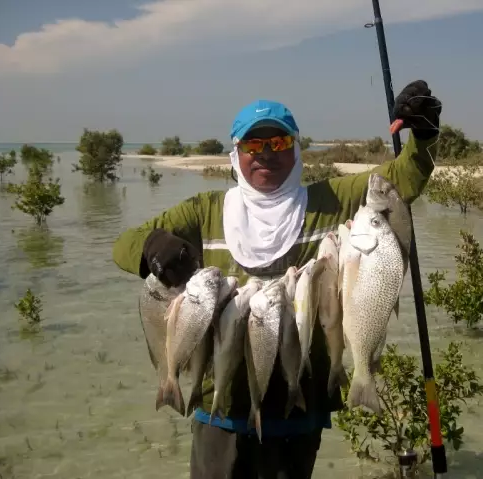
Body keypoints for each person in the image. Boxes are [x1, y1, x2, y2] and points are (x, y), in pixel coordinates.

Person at [112, 79, 442, 479]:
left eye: (278, 144)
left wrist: (422, 137)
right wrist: (152, 247)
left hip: (298, 405)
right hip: (221, 410)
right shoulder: (205, 211)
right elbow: (122, 246)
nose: (265, 154)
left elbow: (399, 181)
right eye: (253, 146)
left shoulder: (328, 202)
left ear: (296, 149)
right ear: (236, 153)